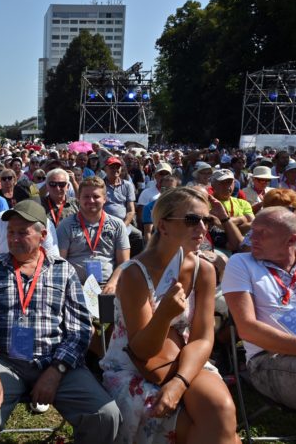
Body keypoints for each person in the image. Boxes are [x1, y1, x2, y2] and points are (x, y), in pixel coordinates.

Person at [0, 201, 120, 444]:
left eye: (22, 232)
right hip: (5, 362)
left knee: (106, 415)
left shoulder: (63, 270)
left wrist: (56, 371)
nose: (13, 238)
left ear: (43, 235)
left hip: (57, 361)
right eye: (10, 232)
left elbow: (79, 329)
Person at [100, 187, 239, 444]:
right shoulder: (134, 273)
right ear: (163, 226)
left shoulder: (204, 270)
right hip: (135, 366)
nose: (202, 227)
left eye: (206, 220)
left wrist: (179, 382)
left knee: (222, 410)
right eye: (191, 220)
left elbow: (202, 338)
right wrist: (163, 317)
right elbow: (141, 350)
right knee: (199, 427)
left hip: (188, 358)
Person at [222, 207, 296, 412]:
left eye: (263, 233)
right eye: (253, 230)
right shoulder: (241, 263)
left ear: (291, 240)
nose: (252, 238)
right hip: (272, 359)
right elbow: (248, 329)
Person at [57, 177, 130, 291]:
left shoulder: (117, 225)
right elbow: (60, 262)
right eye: (86, 196)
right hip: (75, 285)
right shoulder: (66, 225)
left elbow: (124, 262)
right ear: (78, 198)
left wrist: (113, 283)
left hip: (107, 285)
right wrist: (73, 285)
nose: (91, 200)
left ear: (105, 199)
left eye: (96, 196)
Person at [239, 189, 296, 258]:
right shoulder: (255, 235)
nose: (284, 214)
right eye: (278, 209)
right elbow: (246, 263)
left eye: (290, 209)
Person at [0, 200, 60, 266]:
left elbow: (53, 256)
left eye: (23, 233)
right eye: (11, 232)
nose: (15, 239)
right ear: (14, 202)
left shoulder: (61, 270)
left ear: (43, 235)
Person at [210, 169, 254, 234]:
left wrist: (225, 225)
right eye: (223, 182)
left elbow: (253, 225)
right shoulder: (205, 203)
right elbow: (215, 224)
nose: (228, 186)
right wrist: (242, 219)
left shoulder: (243, 203)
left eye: (230, 182)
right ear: (213, 184)